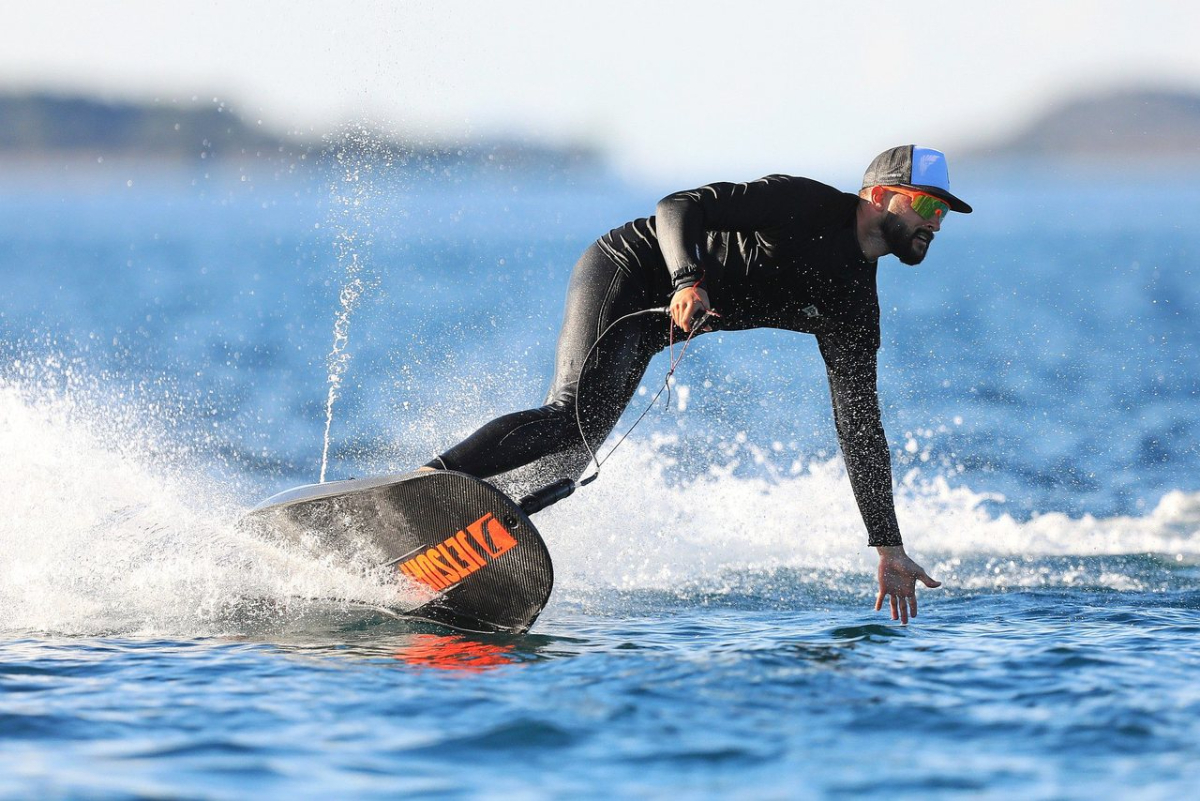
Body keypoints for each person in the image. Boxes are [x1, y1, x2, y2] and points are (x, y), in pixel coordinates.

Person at [422, 145, 971, 624]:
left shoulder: (853, 307)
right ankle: (428, 482)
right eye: (927, 206)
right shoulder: (805, 203)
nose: (937, 224)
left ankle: (458, 539)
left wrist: (888, 545)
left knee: (572, 454)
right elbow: (676, 206)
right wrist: (687, 279)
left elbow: (859, 426)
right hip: (628, 268)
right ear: (879, 196)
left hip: (653, 327)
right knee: (567, 419)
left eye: (943, 212)